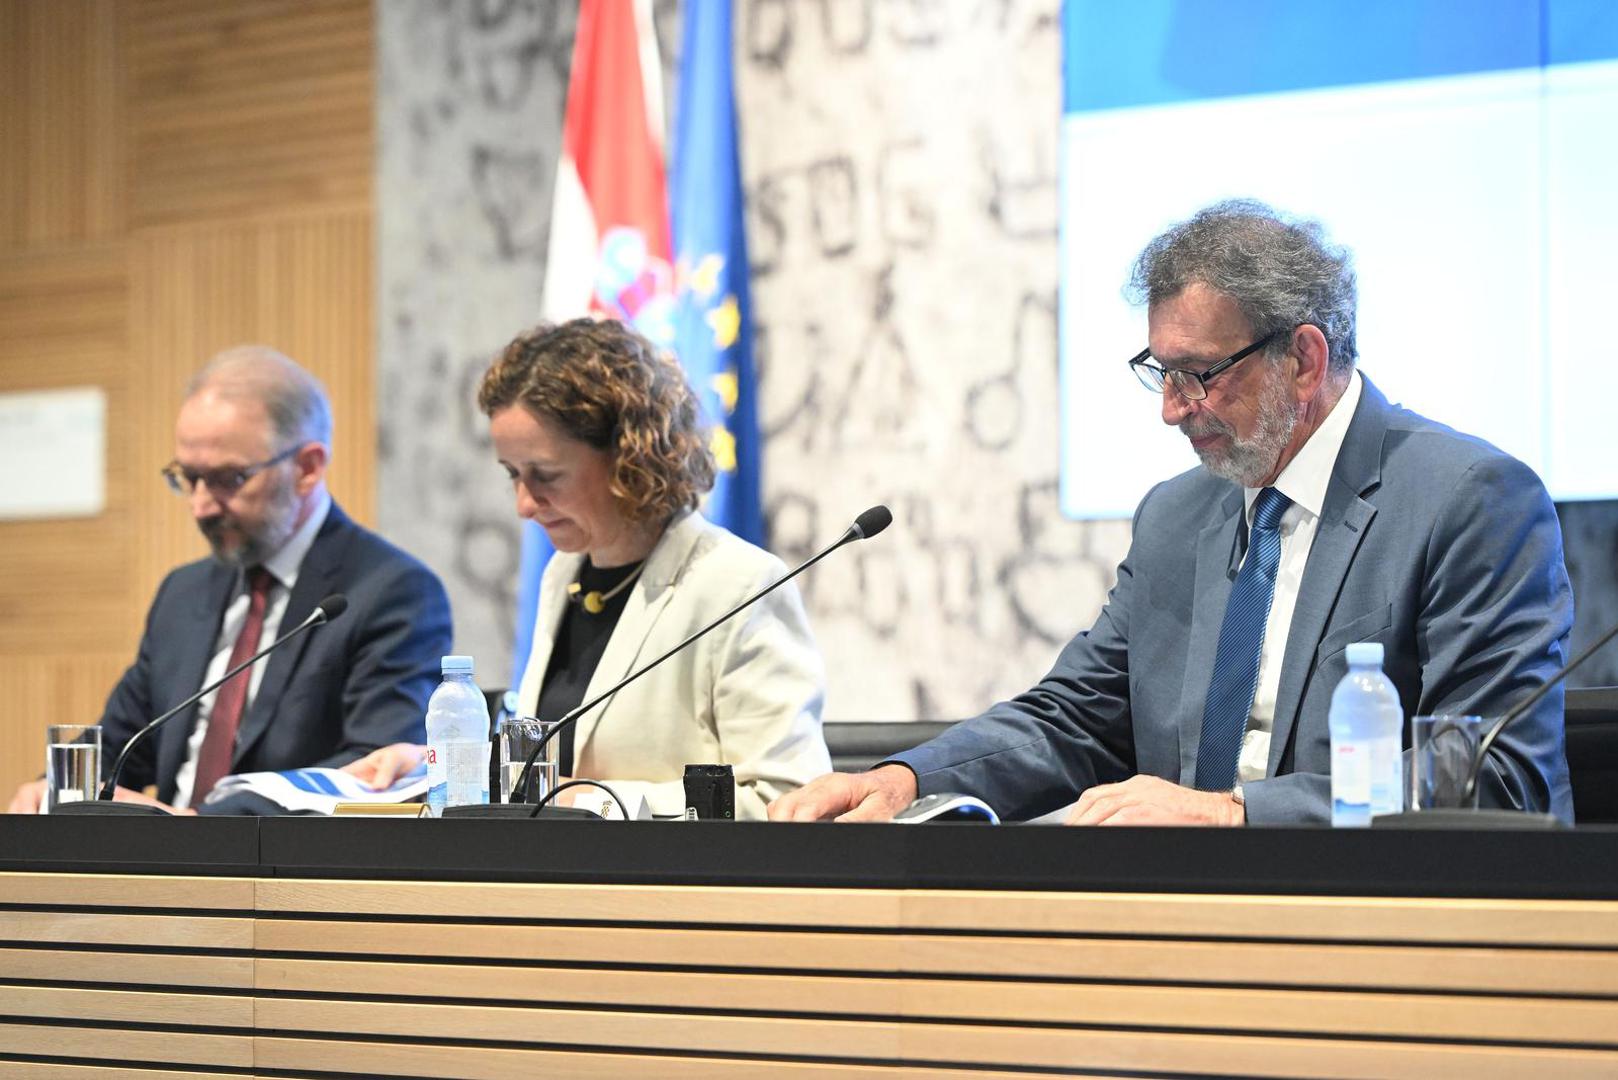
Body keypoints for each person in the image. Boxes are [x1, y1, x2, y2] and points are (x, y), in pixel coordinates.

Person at [771, 199, 1574, 826]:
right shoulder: (1176, 516)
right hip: (1174, 918)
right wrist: (907, 779)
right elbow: (1074, 719)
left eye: (1198, 375)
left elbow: (1493, 777)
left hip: (1379, 925)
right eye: (1160, 373)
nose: (1171, 410)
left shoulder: (1467, 500)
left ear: (1303, 359)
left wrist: (1235, 815)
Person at [344, 318, 829, 819]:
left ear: (629, 456)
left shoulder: (739, 585)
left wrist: (591, 799)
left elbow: (786, 799)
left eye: (546, 475)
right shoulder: (564, 574)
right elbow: (551, 770)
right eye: (513, 475)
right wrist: (441, 767)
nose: (524, 504)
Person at [7, 347, 453, 815]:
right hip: (159, 853)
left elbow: (376, 773)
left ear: (307, 468)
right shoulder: (182, 593)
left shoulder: (393, 591)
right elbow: (121, 746)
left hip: (277, 860)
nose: (200, 506)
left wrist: (203, 826)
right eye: (188, 477)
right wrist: (55, 788)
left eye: (228, 478)